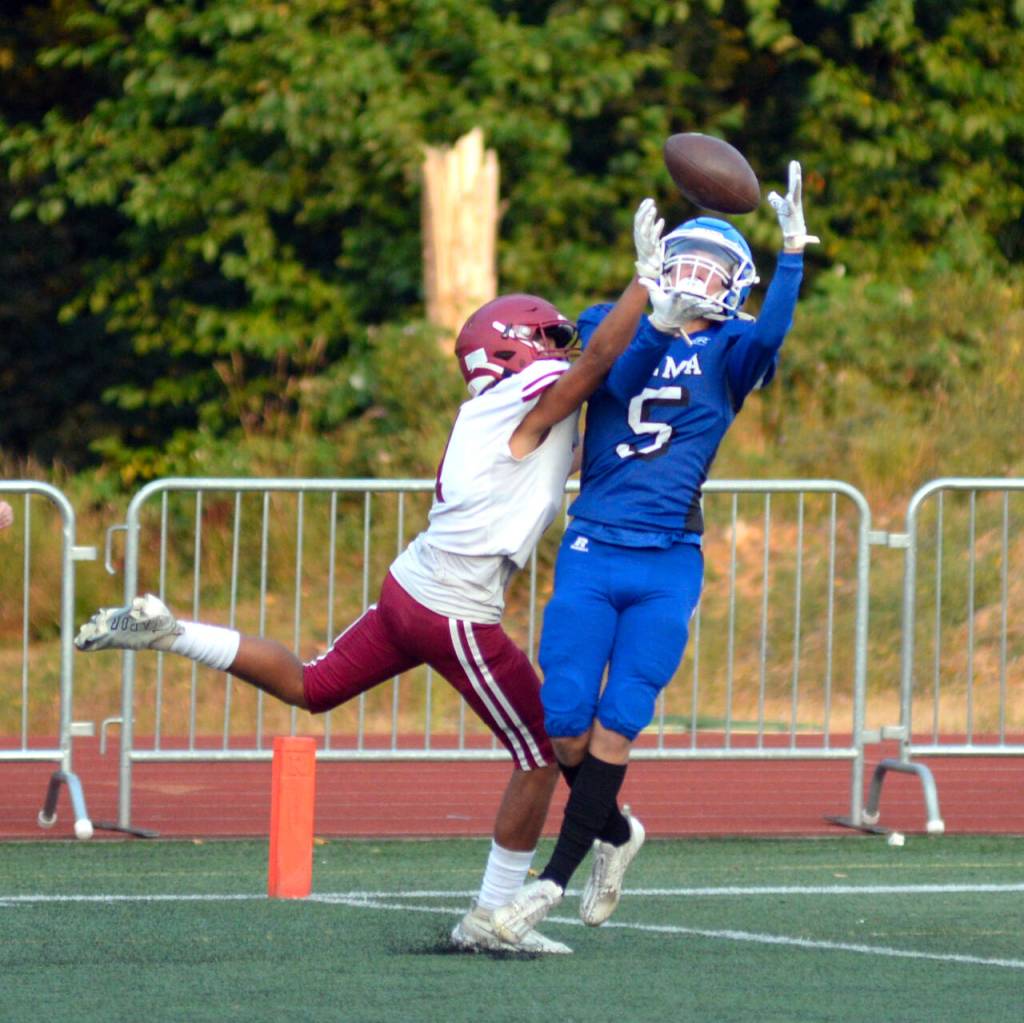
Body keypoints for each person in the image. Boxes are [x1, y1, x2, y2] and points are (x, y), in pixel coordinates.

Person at [74, 200, 707, 955]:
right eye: (548, 336)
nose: (561, 347)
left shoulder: (498, 407)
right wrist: (644, 287)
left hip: (411, 587)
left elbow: (588, 442)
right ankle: (492, 912)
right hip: (455, 611)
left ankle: (176, 631)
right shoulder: (524, 396)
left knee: (312, 685)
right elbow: (599, 363)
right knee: (542, 753)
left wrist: (661, 336)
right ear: (515, 346)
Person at [492, 160, 818, 946]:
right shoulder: (618, 316)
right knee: (564, 718)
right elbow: (615, 375)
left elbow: (771, 332)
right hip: (594, 545)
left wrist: (795, 257)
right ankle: (614, 830)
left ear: (737, 284)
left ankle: (547, 886)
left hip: (669, 557)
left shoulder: (738, 346)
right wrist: (654, 312)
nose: (698, 278)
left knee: (622, 717)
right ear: (660, 264)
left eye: (715, 270)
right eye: (686, 262)